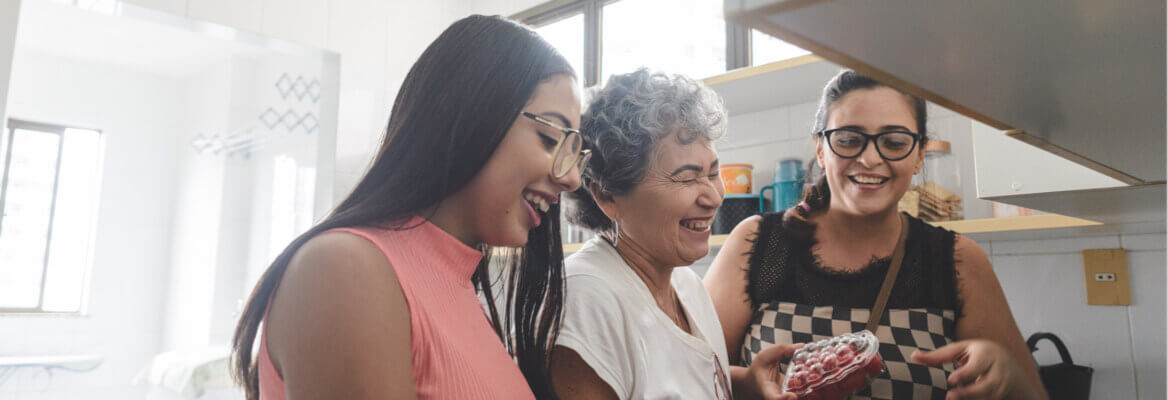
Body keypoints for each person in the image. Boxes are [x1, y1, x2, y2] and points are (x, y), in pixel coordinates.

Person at [230, 15, 589, 399]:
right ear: (471, 113)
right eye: (550, 139)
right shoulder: (346, 269)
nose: (571, 180)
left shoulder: (461, 292)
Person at [704, 70, 1047, 400]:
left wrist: (1009, 377)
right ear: (821, 150)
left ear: (919, 155)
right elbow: (683, 372)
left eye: (894, 142)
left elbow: (1033, 394)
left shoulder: (958, 261)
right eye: (849, 140)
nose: (870, 158)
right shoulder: (755, 244)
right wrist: (746, 384)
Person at [550, 69, 799, 400]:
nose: (714, 196)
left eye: (713, 173)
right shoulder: (585, 300)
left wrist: (745, 384)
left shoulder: (684, 283)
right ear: (607, 196)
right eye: (686, 178)